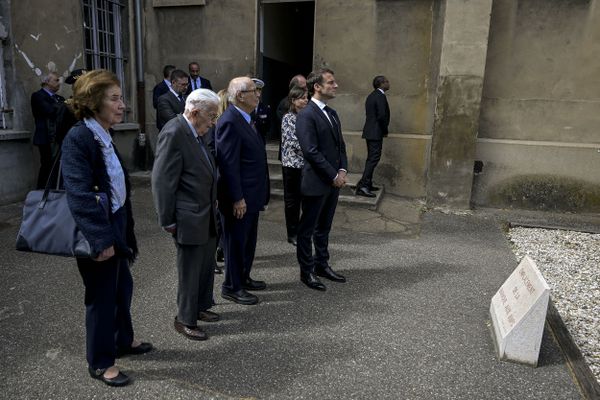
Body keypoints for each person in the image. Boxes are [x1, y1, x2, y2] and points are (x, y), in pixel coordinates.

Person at [61, 69, 152, 387]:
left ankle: (122, 341)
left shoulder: (103, 133)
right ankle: (100, 362)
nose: (122, 105)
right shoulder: (79, 137)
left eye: (121, 98)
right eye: (114, 98)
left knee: (121, 289)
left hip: (116, 225)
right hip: (97, 230)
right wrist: (100, 239)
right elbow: (80, 195)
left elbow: (113, 186)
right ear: (93, 101)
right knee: (101, 297)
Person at [152, 88, 221, 341]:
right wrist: (167, 219)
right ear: (194, 112)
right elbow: (162, 180)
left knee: (205, 266)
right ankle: (185, 318)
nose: (213, 122)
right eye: (211, 116)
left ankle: (201, 307)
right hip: (188, 215)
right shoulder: (174, 131)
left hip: (205, 212)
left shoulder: (196, 131)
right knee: (190, 270)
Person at [215, 77, 269, 305]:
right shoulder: (230, 121)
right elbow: (228, 165)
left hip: (252, 196)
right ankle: (232, 286)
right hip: (239, 198)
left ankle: (243, 277)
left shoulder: (247, 118)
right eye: (253, 91)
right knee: (236, 244)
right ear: (240, 96)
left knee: (247, 242)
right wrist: (237, 198)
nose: (258, 95)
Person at [295, 68, 348, 291]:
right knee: (307, 230)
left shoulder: (332, 113)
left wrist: (343, 170)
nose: (335, 86)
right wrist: (333, 174)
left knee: (324, 228)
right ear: (317, 86)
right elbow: (311, 151)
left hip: (333, 182)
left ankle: (321, 265)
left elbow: (340, 145)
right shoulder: (307, 114)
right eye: (331, 82)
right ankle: (306, 272)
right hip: (317, 182)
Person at [204, 89, 230, 273]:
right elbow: (210, 151)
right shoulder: (213, 126)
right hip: (217, 178)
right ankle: (210, 259)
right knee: (217, 222)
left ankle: (221, 251)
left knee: (221, 221)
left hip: (223, 177)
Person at [280, 86, 309, 246]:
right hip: (292, 165)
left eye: (306, 97)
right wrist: (312, 150)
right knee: (292, 201)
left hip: (306, 165)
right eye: (301, 98)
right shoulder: (288, 118)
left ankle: (303, 231)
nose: (305, 100)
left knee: (306, 199)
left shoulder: (307, 116)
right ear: (293, 100)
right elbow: (292, 141)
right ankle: (292, 233)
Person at [355, 75, 391, 197]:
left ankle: (367, 183)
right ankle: (363, 186)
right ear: (381, 84)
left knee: (371, 158)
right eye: (386, 81)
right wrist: (385, 130)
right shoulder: (380, 96)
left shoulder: (372, 95)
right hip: (375, 132)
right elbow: (381, 116)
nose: (388, 83)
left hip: (370, 131)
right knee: (373, 159)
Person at [31, 72, 65, 189]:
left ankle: (55, 189)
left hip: (58, 136)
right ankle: (41, 191)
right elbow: (50, 110)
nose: (59, 83)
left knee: (58, 165)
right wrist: (63, 106)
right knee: (47, 165)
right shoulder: (37, 96)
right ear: (47, 82)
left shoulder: (60, 98)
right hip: (45, 137)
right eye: (56, 80)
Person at [251, 78, 271, 142]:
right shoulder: (244, 107)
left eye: (259, 90)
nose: (258, 92)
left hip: (260, 141)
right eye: (255, 90)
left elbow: (267, 127)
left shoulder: (265, 108)